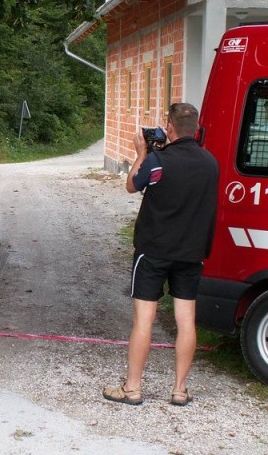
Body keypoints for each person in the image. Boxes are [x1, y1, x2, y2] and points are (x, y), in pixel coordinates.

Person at [103, 103, 219, 406]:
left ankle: (133, 388)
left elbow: (132, 185)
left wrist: (142, 152)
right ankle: (180, 390)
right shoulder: (211, 163)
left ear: (168, 127)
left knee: (144, 319)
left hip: (153, 251)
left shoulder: (157, 161)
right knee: (186, 320)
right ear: (195, 129)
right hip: (191, 253)